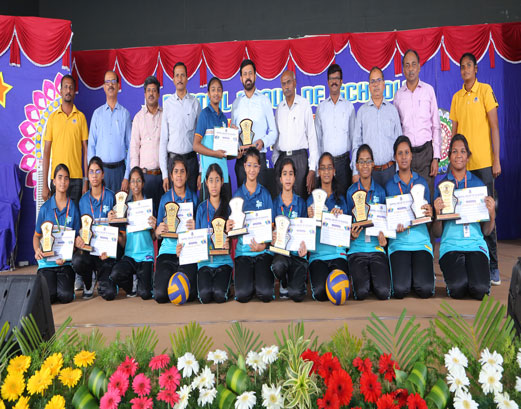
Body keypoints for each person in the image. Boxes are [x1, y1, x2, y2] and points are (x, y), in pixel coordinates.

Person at [450, 52, 501, 286]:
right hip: (463, 168)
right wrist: (452, 161)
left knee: (488, 213)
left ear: (476, 69)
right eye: (462, 67)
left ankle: (493, 266)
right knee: (463, 215)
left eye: (469, 65)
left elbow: (494, 126)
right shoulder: (456, 97)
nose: (465, 70)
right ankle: (468, 262)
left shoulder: (485, 91)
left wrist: (496, 159)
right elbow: (454, 134)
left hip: (483, 165)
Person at [432, 134, 495, 300]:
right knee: (458, 289)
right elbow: (437, 233)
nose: (458, 155)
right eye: (454, 151)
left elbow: (487, 231)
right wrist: (437, 215)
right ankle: (457, 280)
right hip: (451, 246)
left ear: (468, 156)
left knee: (480, 290)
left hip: (475, 245)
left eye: (462, 151)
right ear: (449, 157)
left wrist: (491, 214)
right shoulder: (442, 186)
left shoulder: (478, 185)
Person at [384, 135, 435, 299]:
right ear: (395, 157)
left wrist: (430, 213)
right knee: (400, 290)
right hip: (399, 243)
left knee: (426, 290)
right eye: (400, 153)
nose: (404, 157)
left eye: (407, 152)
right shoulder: (389, 186)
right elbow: (386, 220)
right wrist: (393, 227)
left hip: (420, 242)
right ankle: (410, 275)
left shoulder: (422, 182)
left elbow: (428, 218)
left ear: (412, 155)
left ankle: (416, 275)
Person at [393, 50, 441, 198]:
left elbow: (436, 126)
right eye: (407, 65)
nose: (411, 68)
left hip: (426, 154)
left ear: (419, 67)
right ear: (403, 69)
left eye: (414, 64)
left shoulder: (428, 91)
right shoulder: (398, 96)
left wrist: (436, 157)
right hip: (407, 156)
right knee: (409, 198)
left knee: (427, 198)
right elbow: (397, 130)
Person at [229, 147, 274, 303]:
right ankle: (251, 281)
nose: (252, 169)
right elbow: (233, 230)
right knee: (242, 295)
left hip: (262, 252)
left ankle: (258, 281)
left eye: (255, 165)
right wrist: (230, 227)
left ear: (259, 168)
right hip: (243, 252)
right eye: (249, 165)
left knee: (266, 294)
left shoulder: (265, 194)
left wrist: (264, 246)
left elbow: (271, 226)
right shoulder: (237, 196)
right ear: (244, 166)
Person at [346, 144, 391, 300]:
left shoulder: (381, 191)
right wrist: (351, 235)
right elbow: (347, 223)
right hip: (356, 250)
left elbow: (386, 223)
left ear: (373, 164)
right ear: (357, 165)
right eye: (361, 161)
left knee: (384, 292)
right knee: (361, 293)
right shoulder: (350, 192)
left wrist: (384, 240)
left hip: (376, 248)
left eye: (368, 161)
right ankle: (365, 280)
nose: (365, 165)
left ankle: (372, 279)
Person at [72, 157, 118, 300]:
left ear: (103, 174)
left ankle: (105, 279)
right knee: (77, 261)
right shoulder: (83, 201)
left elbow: (119, 230)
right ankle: (88, 281)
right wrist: (78, 240)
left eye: (97, 171)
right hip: (89, 250)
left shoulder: (111, 197)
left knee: (109, 294)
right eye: (91, 172)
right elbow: (80, 229)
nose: (94, 175)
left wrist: (113, 221)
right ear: (88, 175)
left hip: (105, 253)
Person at [154, 155, 199, 303]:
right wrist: (158, 231)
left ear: (187, 175)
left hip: (188, 250)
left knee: (190, 295)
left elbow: (200, 231)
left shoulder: (193, 198)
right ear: (171, 176)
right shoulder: (165, 199)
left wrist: (196, 227)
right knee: (160, 296)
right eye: (176, 171)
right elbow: (156, 234)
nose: (179, 175)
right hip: (168, 251)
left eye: (182, 171)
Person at [33, 164, 80, 303]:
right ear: (54, 181)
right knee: (48, 297)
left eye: (66, 178)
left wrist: (68, 253)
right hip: (47, 263)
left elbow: (75, 240)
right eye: (59, 178)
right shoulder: (45, 208)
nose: (62, 182)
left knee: (65, 296)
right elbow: (36, 236)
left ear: (69, 182)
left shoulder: (73, 208)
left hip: (65, 263)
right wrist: (37, 250)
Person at [306, 153, 349, 301]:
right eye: (323, 168)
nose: (326, 172)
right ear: (318, 172)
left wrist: (340, 218)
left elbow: (347, 233)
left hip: (338, 254)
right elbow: (306, 235)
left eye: (329, 168)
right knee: (320, 293)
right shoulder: (310, 201)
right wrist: (309, 219)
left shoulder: (341, 200)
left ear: (334, 171)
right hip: (318, 256)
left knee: (340, 290)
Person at [351, 67, 402, 188]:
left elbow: (399, 142)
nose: (376, 84)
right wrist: (355, 171)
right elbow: (356, 144)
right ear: (369, 86)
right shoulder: (362, 112)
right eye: (372, 81)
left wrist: (399, 170)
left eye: (378, 80)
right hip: (369, 172)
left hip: (390, 171)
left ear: (384, 84)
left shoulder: (392, 110)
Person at [110, 167, 156, 299]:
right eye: (133, 181)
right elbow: (123, 242)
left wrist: (154, 227)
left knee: (145, 294)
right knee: (115, 274)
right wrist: (113, 229)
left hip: (146, 255)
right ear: (129, 184)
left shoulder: (150, 206)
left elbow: (154, 237)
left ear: (143, 183)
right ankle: (131, 285)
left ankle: (143, 280)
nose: (136, 184)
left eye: (139, 181)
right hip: (130, 255)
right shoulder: (125, 208)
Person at [42, 75, 88, 205]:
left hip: (76, 179)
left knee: (74, 217)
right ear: (60, 90)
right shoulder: (52, 118)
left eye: (71, 88)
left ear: (74, 92)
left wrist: (86, 181)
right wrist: (45, 184)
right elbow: (46, 152)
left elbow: (86, 151)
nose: (68, 90)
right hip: (57, 179)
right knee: (57, 216)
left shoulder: (81, 117)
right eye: (65, 87)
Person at [231, 59, 278, 189]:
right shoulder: (236, 103)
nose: (248, 77)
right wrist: (235, 148)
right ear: (241, 78)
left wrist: (263, 141)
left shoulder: (264, 100)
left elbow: (274, 132)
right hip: (242, 160)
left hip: (259, 158)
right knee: (242, 199)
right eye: (245, 74)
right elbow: (233, 134)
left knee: (260, 198)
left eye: (250, 73)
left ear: (255, 76)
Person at [273, 70, 318, 199]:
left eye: (288, 82)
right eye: (283, 84)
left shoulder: (304, 104)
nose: (286, 86)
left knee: (300, 200)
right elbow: (276, 138)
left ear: (295, 83)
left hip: (300, 160)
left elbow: (312, 137)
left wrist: (312, 168)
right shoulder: (279, 108)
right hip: (282, 159)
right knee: (283, 201)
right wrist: (276, 161)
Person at [159, 62, 201, 194]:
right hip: (173, 163)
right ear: (173, 79)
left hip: (191, 162)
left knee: (191, 201)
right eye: (177, 75)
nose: (180, 78)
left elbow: (201, 139)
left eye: (182, 75)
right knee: (174, 203)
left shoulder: (195, 103)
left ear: (187, 78)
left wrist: (201, 171)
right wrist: (165, 174)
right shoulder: (168, 104)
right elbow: (163, 140)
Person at [314, 64, 356, 197]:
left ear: (341, 81)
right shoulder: (321, 108)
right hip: (325, 166)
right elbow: (317, 140)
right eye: (331, 79)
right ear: (327, 82)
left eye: (337, 78)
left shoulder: (349, 107)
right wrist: (318, 169)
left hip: (343, 164)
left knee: (344, 201)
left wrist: (355, 169)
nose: (334, 82)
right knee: (325, 202)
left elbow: (354, 139)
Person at [88, 70, 132, 194]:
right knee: (101, 205)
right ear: (103, 87)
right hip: (100, 172)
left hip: (119, 172)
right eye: (107, 82)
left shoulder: (125, 114)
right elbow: (91, 146)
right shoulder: (97, 114)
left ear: (118, 86)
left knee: (119, 206)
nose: (110, 85)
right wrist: (93, 173)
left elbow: (131, 147)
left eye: (113, 81)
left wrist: (126, 176)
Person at [271, 157, 308, 301]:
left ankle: (295, 281)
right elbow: (271, 230)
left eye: (290, 174)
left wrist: (305, 246)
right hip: (281, 253)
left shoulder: (301, 203)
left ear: (294, 177)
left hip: (297, 254)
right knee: (278, 265)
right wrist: (272, 238)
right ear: (280, 178)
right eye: (284, 174)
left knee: (297, 295)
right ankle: (284, 281)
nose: (287, 178)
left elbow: (306, 232)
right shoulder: (274, 204)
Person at [195, 164, 233, 303]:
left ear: (222, 181)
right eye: (211, 180)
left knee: (219, 295)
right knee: (204, 297)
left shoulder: (229, 208)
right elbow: (196, 239)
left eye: (217, 180)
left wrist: (229, 239)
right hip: (205, 264)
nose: (214, 185)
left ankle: (227, 287)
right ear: (206, 182)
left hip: (223, 262)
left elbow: (234, 239)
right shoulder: (201, 209)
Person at [193, 77, 232, 201]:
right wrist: (215, 154)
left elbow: (225, 151)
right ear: (208, 94)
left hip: (223, 176)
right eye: (213, 90)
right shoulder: (204, 114)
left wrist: (235, 154)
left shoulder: (224, 118)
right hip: (209, 178)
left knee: (225, 210)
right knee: (208, 211)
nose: (216, 93)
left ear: (222, 94)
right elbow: (196, 145)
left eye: (219, 90)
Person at [130, 76, 163, 216]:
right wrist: (135, 177)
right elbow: (134, 148)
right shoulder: (138, 118)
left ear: (158, 94)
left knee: (162, 216)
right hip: (145, 177)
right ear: (144, 94)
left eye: (154, 90)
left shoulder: (165, 116)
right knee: (146, 218)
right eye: (148, 90)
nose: (151, 94)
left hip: (162, 176)